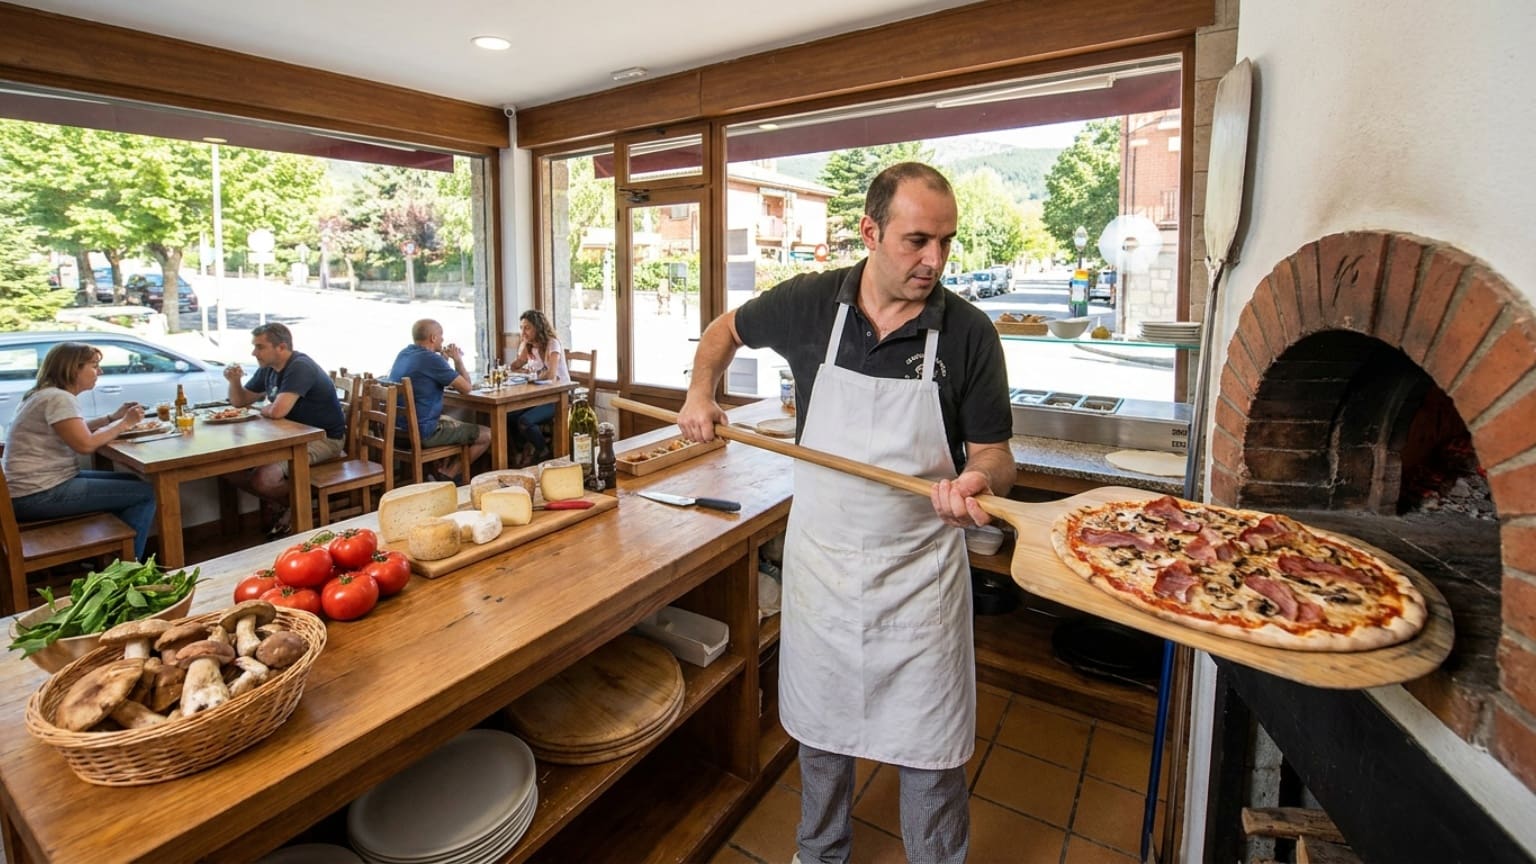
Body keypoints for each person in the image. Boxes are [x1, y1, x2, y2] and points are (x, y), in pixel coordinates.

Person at [678, 162, 1016, 864]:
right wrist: (699, 395)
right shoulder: (810, 304)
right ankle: (820, 853)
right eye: (917, 240)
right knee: (824, 734)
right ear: (869, 231)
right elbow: (723, 331)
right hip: (826, 564)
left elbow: (995, 453)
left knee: (932, 748)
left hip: (920, 574)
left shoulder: (968, 333)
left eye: (947, 242)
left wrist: (978, 480)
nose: (935, 260)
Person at [2, 343, 156, 560]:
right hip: (38, 494)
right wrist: (124, 423)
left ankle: (113, 557)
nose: (99, 371)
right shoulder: (58, 398)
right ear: (73, 368)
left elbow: (75, 430)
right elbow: (85, 445)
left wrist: (111, 418)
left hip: (30, 490)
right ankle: (127, 570)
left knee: (134, 482)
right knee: (145, 494)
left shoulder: (43, 394)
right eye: (94, 366)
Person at [223, 322, 347, 536]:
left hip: (325, 439)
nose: (254, 352)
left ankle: (303, 508)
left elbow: (278, 411)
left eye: (260, 347)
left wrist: (264, 409)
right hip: (290, 438)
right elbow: (239, 401)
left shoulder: (300, 366)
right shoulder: (269, 369)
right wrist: (234, 381)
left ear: (281, 347)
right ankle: (294, 504)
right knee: (229, 470)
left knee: (264, 479)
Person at [387, 318, 491, 482]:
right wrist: (457, 359)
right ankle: (448, 476)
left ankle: (439, 473)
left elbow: (427, 375)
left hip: (397, 431)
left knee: (451, 420)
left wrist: (444, 361)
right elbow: (467, 388)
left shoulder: (405, 353)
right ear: (433, 338)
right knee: (486, 434)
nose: (443, 339)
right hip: (423, 433)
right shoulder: (432, 360)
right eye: (441, 335)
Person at [506, 309, 570, 465]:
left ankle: (543, 450)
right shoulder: (529, 345)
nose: (523, 331)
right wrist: (509, 367)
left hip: (559, 397)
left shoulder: (552, 344)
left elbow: (551, 374)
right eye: (521, 327)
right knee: (508, 416)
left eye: (527, 328)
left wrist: (530, 376)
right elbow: (518, 364)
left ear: (538, 327)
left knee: (525, 421)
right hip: (539, 396)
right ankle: (524, 449)